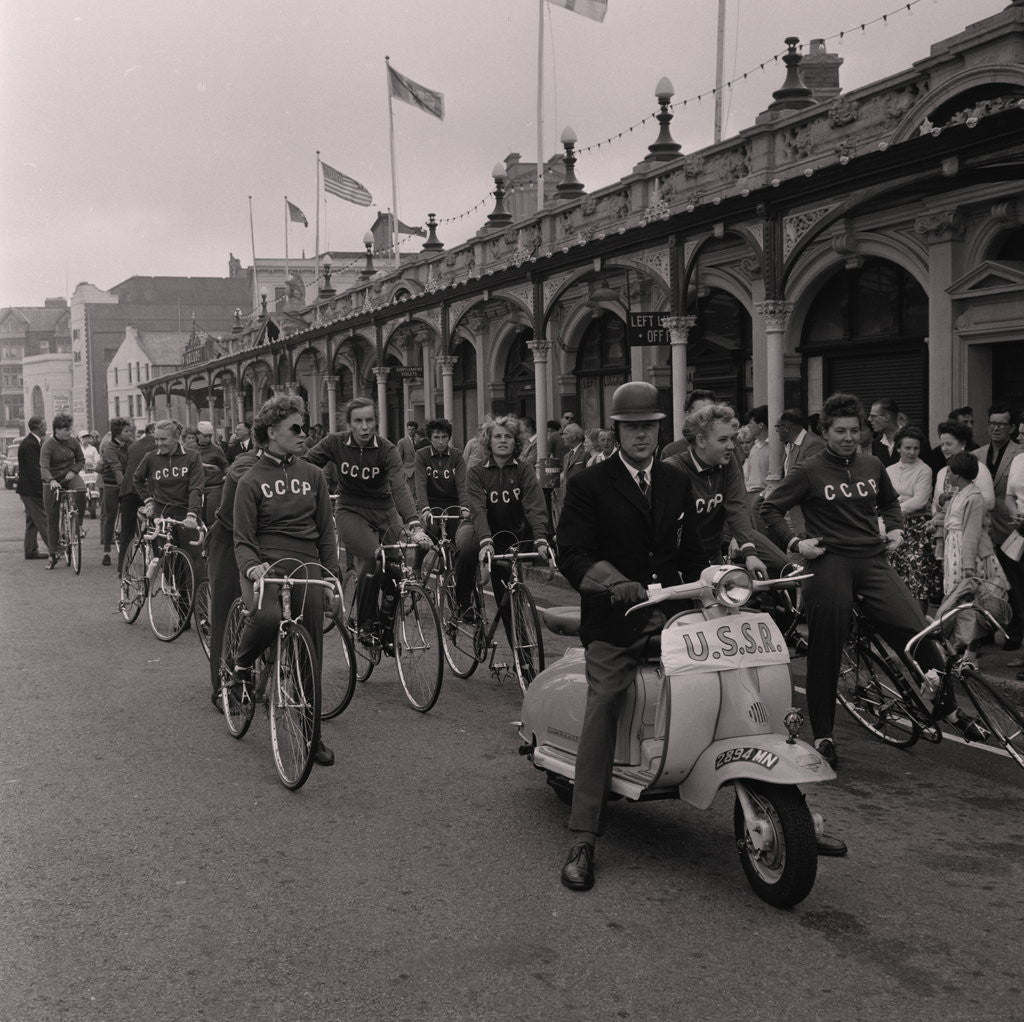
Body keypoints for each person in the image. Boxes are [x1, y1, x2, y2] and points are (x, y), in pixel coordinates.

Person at [761, 393, 984, 771]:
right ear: (826, 431)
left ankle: (947, 709)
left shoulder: (871, 464)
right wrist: (796, 543)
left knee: (919, 631)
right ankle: (824, 734)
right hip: (829, 563)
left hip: (871, 559)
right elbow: (768, 507)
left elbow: (889, 503)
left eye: (854, 429)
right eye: (839, 430)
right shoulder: (809, 470)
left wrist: (895, 529)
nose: (848, 437)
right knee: (826, 649)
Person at [555, 382, 708, 892]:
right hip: (615, 618)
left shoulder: (675, 480)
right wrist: (611, 582)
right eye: (632, 426)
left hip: (671, 615)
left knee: (733, 671)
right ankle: (582, 836)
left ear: (660, 428)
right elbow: (571, 553)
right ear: (617, 430)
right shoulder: (588, 483)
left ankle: (781, 802)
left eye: (650, 425)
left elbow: (692, 553)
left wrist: (711, 592)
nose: (642, 434)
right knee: (607, 701)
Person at [231, 394, 340, 767]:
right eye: (296, 428)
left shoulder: (313, 474)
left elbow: (326, 531)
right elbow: (242, 539)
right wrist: (253, 567)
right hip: (265, 563)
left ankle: (313, 736)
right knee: (265, 616)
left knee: (312, 650)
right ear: (272, 432)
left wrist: (329, 575)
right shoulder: (250, 480)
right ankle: (241, 668)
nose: (303, 434)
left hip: (307, 562)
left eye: (305, 427)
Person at [303, 397, 428, 647]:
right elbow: (304, 465)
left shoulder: (386, 449)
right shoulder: (334, 443)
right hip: (350, 510)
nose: (364, 427)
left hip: (384, 510)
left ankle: (386, 622)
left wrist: (413, 524)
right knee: (373, 556)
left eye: (369, 420)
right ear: (349, 423)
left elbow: (400, 487)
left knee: (397, 567)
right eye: (358, 421)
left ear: (376, 422)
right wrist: (311, 490)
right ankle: (365, 624)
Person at [466, 415, 550, 645]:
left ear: (516, 442)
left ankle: (522, 655)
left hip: (511, 536)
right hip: (482, 531)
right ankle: (463, 602)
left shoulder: (524, 470)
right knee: (464, 549)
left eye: (508, 437)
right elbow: (478, 509)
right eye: (497, 436)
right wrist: (485, 540)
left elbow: (534, 506)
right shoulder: (476, 472)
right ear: (488, 441)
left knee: (511, 597)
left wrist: (541, 539)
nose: (503, 441)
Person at [664, 403, 770, 575]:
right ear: (701, 441)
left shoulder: (728, 462)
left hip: (713, 557)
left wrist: (749, 552)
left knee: (782, 567)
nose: (731, 446)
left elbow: (737, 507)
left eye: (732, 439)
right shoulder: (673, 469)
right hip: (680, 563)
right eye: (723, 440)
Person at [205, 441, 261, 710]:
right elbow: (250, 479)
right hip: (229, 541)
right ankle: (223, 686)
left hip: (262, 543)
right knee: (228, 613)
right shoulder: (244, 464)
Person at [133, 419, 205, 592]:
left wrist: (192, 515)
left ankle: (201, 615)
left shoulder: (192, 456)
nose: (159, 443)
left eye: (163, 439)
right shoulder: (151, 458)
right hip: (162, 516)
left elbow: (196, 488)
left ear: (176, 437)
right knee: (172, 566)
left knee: (196, 566)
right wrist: (149, 501)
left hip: (187, 515)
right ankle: (182, 612)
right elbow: (137, 479)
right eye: (156, 439)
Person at [974, 405, 1024, 652]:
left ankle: (1014, 634)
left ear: (1012, 428)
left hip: (1011, 529)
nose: (995, 428)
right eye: (992, 423)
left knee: (1012, 584)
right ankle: (986, 629)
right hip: (982, 530)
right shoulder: (977, 453)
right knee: (985, 583)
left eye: (1002, 424)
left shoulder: (1019, 452)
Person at [413, 417, 475, 610]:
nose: (441, 441)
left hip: (453, 504)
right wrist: (424, 509)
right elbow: (420, 485)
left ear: (449, 437)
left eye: (444, 437)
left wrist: (465, 506)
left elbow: (463, 484)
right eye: (436, 437)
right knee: (429, 533)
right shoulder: (422, 455)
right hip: (431, 504)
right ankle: (417, 565)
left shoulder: (456, 456)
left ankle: (456, 586)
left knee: (458, 543)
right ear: (430, 438)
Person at [939, 452, 1009, 605]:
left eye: (949, 471)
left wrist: (969, 564)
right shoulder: (958, 494)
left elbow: (972, 532)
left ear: (958, 474)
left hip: (967, 552)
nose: (947, 474)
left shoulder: (974, 498)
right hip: (954, 547)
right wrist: (934, 523)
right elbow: (952, 518)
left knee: (968, 593)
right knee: (957, 594)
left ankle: (969, 625)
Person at [885, 426, 941, 613]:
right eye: (907, 448)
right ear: (898, 448)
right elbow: (883, 496)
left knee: (917, 576)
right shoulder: (889, 470)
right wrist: (903, 500)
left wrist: (895, 504)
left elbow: (920, 500)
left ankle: (919, 623)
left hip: (916, 529)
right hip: (893, 526)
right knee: (895, 574)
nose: (912, 452)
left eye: (916, 448)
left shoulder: (924, 470)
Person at [40, 414, 86, 570]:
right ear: (57, 430)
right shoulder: (48, 445)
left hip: (69, 476)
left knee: (81, 489)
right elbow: (44, 467)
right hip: (52, 480)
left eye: (70, 429)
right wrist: (51, 480)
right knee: (52, 518)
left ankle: (77, 526)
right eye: (66, 429)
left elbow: (81, 459)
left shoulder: (72, 441)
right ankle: (52, 555)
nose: (70, 432)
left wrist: (74, 471)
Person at [117, 423, 156, 575]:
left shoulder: (133, 445)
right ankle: (161, 568)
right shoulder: (161, 445)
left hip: (128, 489)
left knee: (126, 532)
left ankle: (122, 569)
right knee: (157, 529)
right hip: (146, 490)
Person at [98, 418, 135, 567]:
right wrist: (126, 486)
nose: (129, 433)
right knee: (110, 517)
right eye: (126, 431)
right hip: (112, 484)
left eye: (129, 430)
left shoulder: (131, 444)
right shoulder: (109, 447)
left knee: (131, 516)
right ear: (117, 433)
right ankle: (107, 552)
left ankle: (129, 549)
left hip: (126, 483)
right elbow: (116, 468)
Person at [16, 416, 49, 561]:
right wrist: (40, 488)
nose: (46, 427)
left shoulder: (30, 442)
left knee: (32, 521)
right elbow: (34, 469)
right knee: (43, 519)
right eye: (44, 425)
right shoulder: (31, 444)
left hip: (26, 489)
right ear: (39, 427)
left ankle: (30, 550)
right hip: (31, 489)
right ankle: (56, 548)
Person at [661, 389, 716, 460]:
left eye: (710, 413)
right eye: (700, 414)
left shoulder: (725, 447)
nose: (706, 418)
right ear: (688, 415)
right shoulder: (672, 451)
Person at [195, 420, 229, 527]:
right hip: (196, 488)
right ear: (198, 435)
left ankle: (212, 540)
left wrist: (226, 475)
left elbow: (225, 466)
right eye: (205, 436)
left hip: (214, 487)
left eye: (210, 436)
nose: (208, 439)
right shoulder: (190, 449)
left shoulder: (217, 450)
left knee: (212, 517)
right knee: (197, 518)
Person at [867, 398, 900, 466]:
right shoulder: (876, 443)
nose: (869, 419)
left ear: (887, 417)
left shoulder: (914, 439)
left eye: (874, 416)